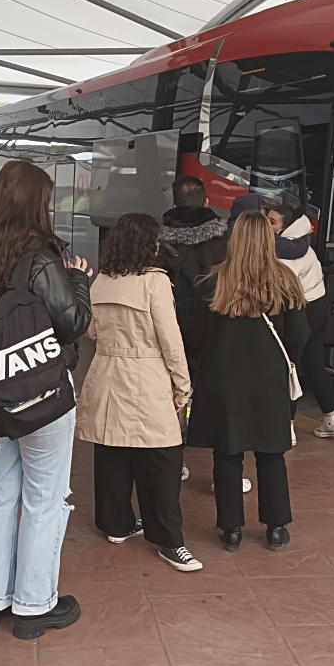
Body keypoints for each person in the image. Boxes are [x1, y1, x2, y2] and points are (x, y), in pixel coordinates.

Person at [0, 159, 92, 640]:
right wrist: (78, 282)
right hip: (44, 394)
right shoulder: (42, 258)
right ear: (37, 203)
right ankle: (33, 606)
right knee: (44, 500)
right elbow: (71, 323)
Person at [77, 212, 201, 572]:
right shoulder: (155, 282)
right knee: (162, 460)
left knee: (112, 451)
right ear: (152, 244)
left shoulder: (101, 280)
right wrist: (184, 385)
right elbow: (170, 340)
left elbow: (91, 331)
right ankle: (169, 542)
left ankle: (116, 524)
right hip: (147, 375)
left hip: (106, 371)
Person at [188, 210, 309, 552]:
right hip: (269, 381)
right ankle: (275, 527)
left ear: (235, 240)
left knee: (227, 455)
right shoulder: (286, 281)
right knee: (272, 455)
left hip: (222, 381)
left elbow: (195, 336)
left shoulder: (213, 281)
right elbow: (300, 335)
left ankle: (232, 530)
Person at [158, 175, 251, 492]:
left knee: (173, 398)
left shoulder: (158, 240)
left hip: (172, 330)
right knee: (222, 400)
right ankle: (224, 474)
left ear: (173, 204)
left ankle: (175, 464)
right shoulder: (226, 238)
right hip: (216, 328)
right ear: (207, 202)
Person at [269, 204, 334, 438]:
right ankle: (330, 420)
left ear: (286, 227)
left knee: (288, 366)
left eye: (272, 222)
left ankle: (287, 426)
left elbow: (282, 290)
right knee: (314, 363)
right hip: (318, 305)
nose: (268, 226)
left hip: (297, 310)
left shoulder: (283, 252)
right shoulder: (303, 245)